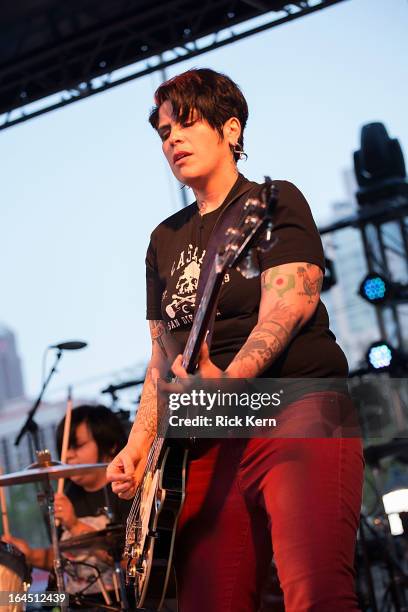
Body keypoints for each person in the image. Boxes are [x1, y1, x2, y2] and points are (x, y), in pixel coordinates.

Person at [106, 68, 364, 611]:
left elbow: (292, 301)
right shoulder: (163, 239)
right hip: (203, 435)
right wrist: (136, 447)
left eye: (186, 122)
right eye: (162, 132)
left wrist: (235, 381)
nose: (171, 138)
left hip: (292, 406)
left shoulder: (272, 202)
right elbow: (162, 356)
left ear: (231, 130)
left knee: (315, 594)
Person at [3, 405, 131, 608]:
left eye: (77, 445)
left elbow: (130, 563)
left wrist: (74, 525)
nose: (68, 456)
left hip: (116, 600)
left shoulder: (126, 491)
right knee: (8, 598)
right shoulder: (68, 493)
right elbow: (64, 560)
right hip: (72, 601)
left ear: (111, 446)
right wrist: (28, 554)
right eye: (65, 448)